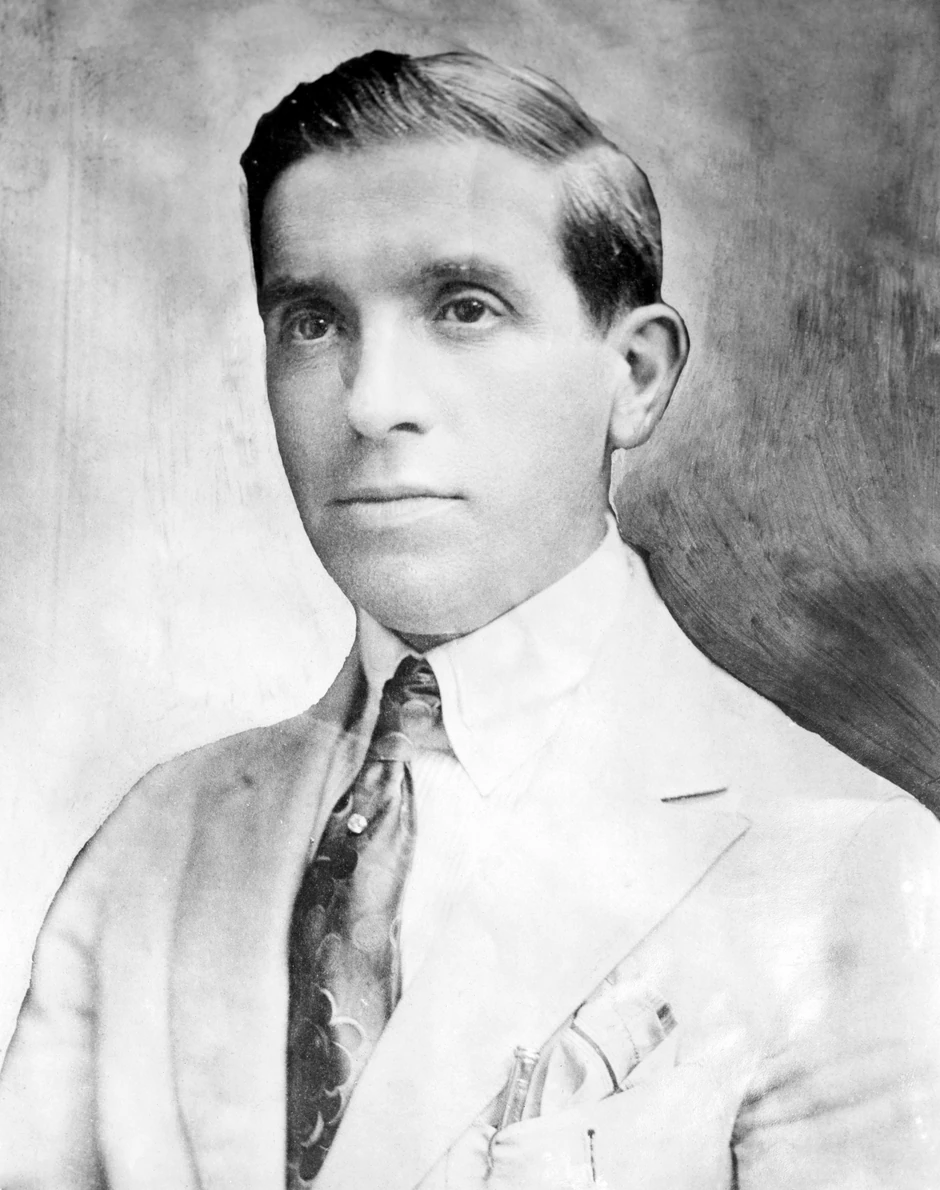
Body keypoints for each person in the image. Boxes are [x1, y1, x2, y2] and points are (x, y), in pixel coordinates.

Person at [1, 48, 938, 1190]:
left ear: (635, 375)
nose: (371, 401)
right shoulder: (155, 842)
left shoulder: (848, 863)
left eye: (463, 309)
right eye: (312, 321)